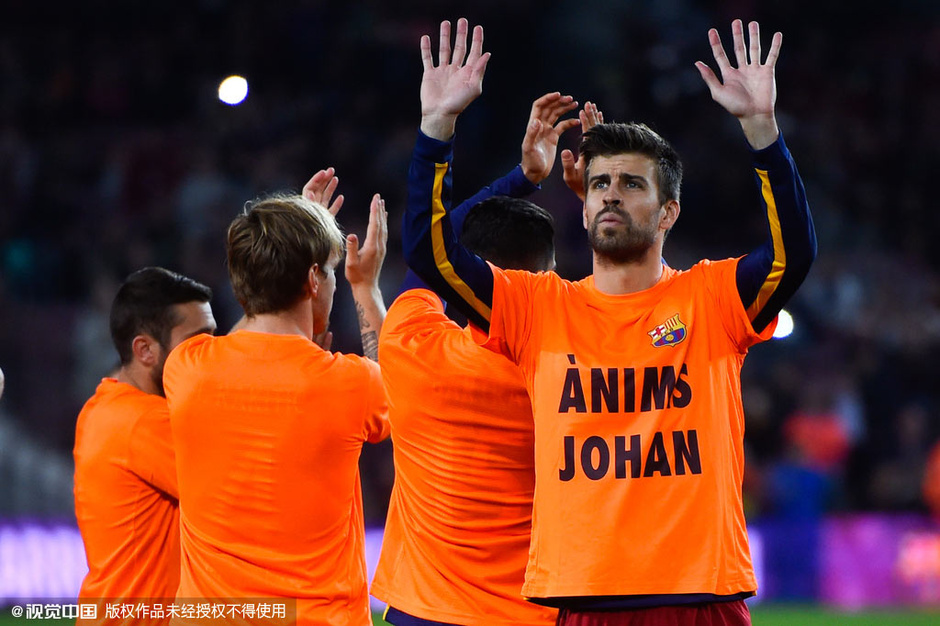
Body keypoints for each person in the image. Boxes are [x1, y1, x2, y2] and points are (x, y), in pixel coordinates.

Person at [403, 18, 816, 626]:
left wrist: (762, 131)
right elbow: (429, 252)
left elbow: (792, 254)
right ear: (584, 204)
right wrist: (436, 129)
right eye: (600, 183)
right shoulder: (537, 307)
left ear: (668, 211)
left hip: (699, 596)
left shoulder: (710, 298)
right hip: (584, 599)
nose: (611, 194)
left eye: (630, 183)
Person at [372, 92, 585, 626]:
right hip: (533, 614)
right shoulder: (574, 368)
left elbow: (430, 255)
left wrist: (519, 177)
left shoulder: (411, 340)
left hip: (421, 610)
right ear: (547, 276)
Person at [163, 173, 390, 626]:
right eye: (330, 272)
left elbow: (245, 343)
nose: (335, 282)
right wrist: (366, 287)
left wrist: (292, 240)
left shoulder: (185, 367)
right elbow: (406, 385)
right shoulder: (350, 382)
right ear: (312, 280)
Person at [73, 267, 216, 613]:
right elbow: (249, 491)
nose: (212, 353)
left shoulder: (103, 406)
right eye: (196, 341)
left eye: (213, 337)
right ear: (145, 350)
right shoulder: (145, 422)